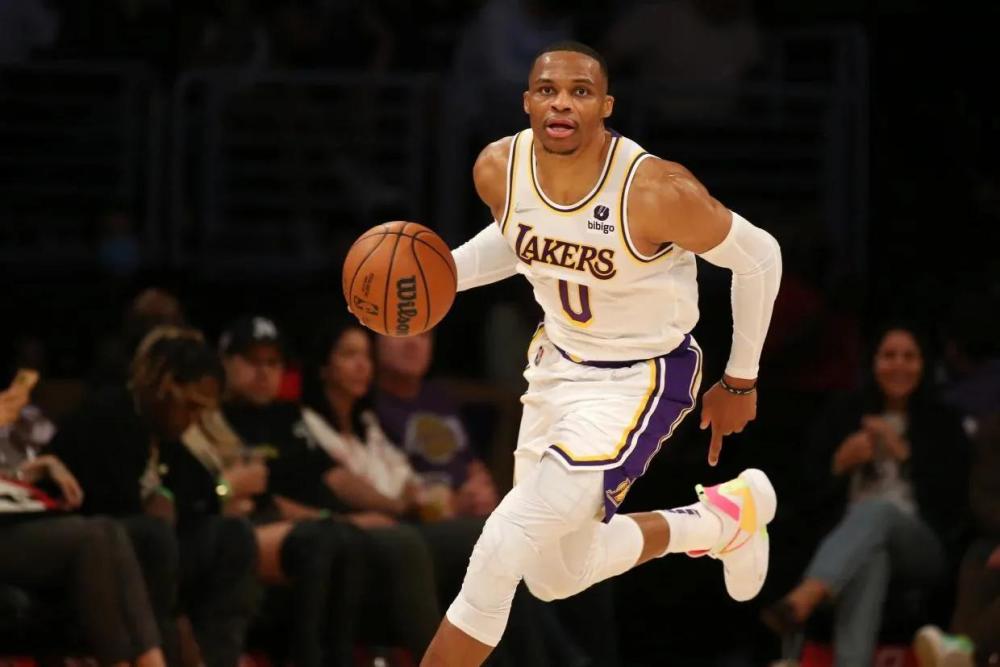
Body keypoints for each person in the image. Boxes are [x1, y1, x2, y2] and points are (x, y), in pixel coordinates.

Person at [352, 41, 784, 666]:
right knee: (554, 574)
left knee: (504, 542)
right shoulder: (498, 169)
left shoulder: (655, 191)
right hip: (556, 365)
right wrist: (440, 277)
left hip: (639, 379)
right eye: (548, 90)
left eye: (580, 92)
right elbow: (521, 240)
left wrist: (740, 379)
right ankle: (722, 521)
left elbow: (761, 257)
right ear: (527, 101)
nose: (562, 103)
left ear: (605, 107)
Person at [213, 315, 441, 660]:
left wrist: (388, 508)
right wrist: (348, 519)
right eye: (252, 361)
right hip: (293, 530)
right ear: (225, 363)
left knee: (477, 539)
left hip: (333, 522)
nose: (263, 373)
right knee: (353, 541)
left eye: (273, 363)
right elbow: (264, 503)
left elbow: (332, 476)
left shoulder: (289, 417)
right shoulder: (220, 420)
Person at [49, 326, 260, 667]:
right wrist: (159, 510)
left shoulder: (166, 435)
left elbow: (206, 495)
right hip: (98, 555)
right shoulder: (107, 418)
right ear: (164, 387)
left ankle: (220, 659)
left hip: (156, 550)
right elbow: (106, 510)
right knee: (154, 536)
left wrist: (177, 502)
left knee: (234, 535)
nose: (193, 421)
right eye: (190, 407)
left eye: (201, 412)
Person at [761, 325, 971, 666]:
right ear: (872, 363)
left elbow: (953, 503)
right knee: (873, 558)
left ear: (924, 364)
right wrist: (838, 465)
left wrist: (905, 455)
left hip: (922, 546)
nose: (898, 365)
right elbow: (804, 495)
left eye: (909, 356)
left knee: (879, 511)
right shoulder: (843, 414)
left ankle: (807, 595)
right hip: (851, 543)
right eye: (889, 355)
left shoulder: (943, 421)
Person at [0, 370, 166, 667]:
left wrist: (38, 468)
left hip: (12, 518)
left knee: (110, 530)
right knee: (92, 538)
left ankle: (153, 660)